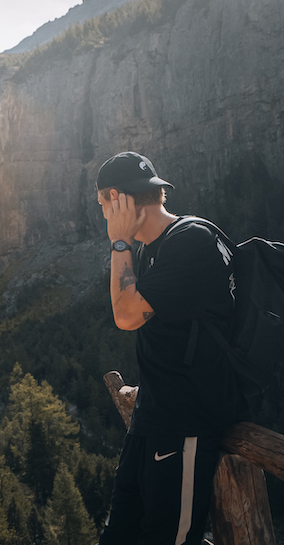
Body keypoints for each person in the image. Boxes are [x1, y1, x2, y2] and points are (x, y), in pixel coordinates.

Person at [95, 151, 243, 545]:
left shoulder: (190, 241)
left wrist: (119, 242)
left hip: (185, 425)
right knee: (119, 535)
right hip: (153, 419)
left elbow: (126, 316)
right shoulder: (157, 246)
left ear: (116, 199)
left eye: (102, 203)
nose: (102, 212)